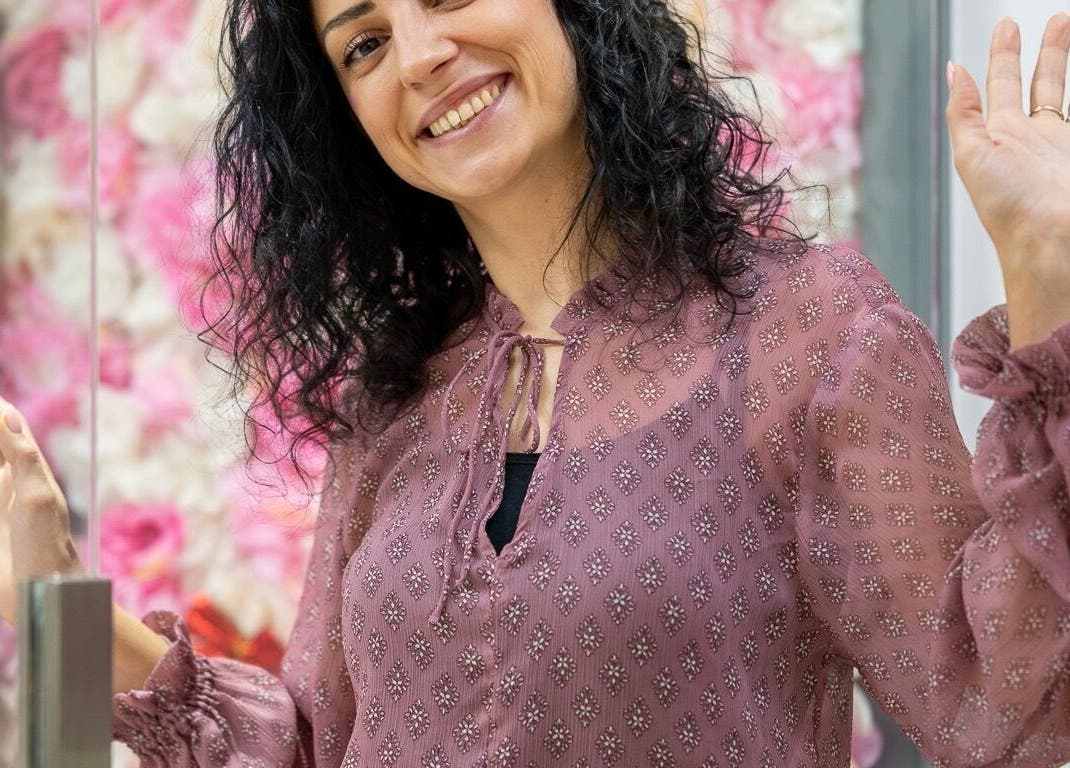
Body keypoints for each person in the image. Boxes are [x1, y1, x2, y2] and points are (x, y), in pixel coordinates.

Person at [2, 1, 1069, 765]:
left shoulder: (809, 332)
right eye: (364, 41)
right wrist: (47, 588)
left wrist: (1043, 277)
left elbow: (1003, 706)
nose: (419, 54)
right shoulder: (400, 397)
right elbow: (311, 749)